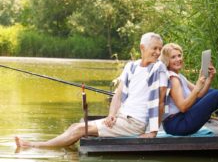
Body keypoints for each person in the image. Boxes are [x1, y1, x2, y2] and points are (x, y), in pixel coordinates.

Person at [15, 32, 168, 147]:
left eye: (160, 49)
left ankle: (36, 146)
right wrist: (111, 115)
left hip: (135, 123)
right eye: (154, 48)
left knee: (80, 129)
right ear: (142, 47)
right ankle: (56, 147)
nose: (157, 52)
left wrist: (152, 132)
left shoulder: (158, 69)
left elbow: (161, 101)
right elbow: (118, 94)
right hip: (122, 118)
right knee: (75, 126)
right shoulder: (131, 67)